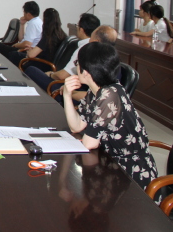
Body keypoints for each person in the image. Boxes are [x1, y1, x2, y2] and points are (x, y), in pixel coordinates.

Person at [63, 42, 157, 189]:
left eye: (77, 64)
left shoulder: (110, 95)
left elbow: (89, 144)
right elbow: (77, 126)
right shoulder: (96, 91)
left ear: (86, 72)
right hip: (109, 161)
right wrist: (67, 95)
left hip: (130, 173)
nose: (76, 68)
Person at [25, 13, 101, 100]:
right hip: (83, 89)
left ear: (81, 30)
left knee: (31, 70)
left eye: (77, 26)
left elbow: (63, 75)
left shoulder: (83, 49)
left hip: (67, 87)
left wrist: (51, 74)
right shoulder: (98, 47)